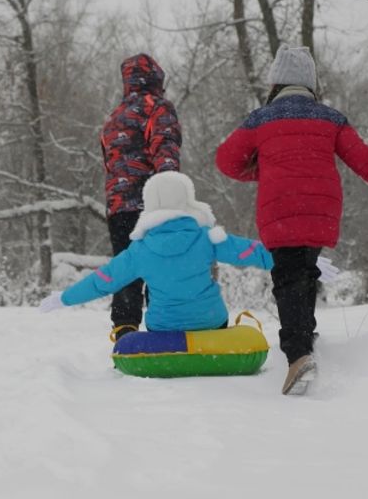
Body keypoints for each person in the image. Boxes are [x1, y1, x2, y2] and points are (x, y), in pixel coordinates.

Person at [215, 44, 368, 396]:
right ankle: (306, 337)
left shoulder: (261, 119)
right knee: (304, 271)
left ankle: (298, 355)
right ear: (311, 84)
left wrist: (267, 171)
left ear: (275, 84)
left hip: (279, 210)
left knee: (288, 277)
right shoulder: (330, 119)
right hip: (321, 212)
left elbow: (226, 161)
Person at [38, 172, 273, 335]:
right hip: (211, 321)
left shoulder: (140, 250)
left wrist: (64, 298)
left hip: (164, 327)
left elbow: (104, 280)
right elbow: (253, 252)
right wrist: (299, 260)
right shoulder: (207, 237)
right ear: (186, 199)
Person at [98, 53, 182, 339]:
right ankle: (165, 330)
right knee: (163, 268)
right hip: (152, 206)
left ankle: (125, 331)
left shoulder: (112, 118)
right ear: (156, 79)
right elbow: (166, 152)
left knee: (128, 269)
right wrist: (174, 198)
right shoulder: (158, 108)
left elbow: (109, 164)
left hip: (119, 208)